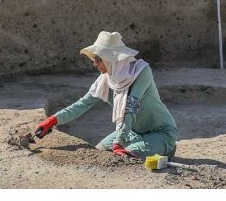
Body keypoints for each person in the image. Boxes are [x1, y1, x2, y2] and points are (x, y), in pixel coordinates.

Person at [33, 31, 178, 158]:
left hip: (161, 133)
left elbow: (131, 106)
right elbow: (82, 104)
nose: (94, 64)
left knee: (127, 155)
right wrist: (53, 120)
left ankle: (166, 149)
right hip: (133, 132)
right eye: (94, 58)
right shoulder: (106, 79)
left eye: (98, 58)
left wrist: (119, 142)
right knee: (99, 152)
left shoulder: (141, 71)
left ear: (111, 59)